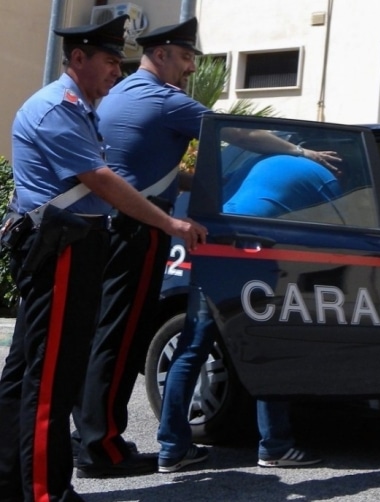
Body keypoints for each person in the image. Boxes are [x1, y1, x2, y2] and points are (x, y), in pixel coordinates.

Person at [70, 17, 340, 478]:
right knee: (122, 338)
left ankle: (92, 437)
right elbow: (240, 133)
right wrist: (302, 153)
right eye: (187, 57)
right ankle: (101, 446)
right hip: (137, 231)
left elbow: (148, 170)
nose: (191, 68)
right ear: (162, 55)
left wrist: (204, 184)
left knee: (105, 334)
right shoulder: (164, 98)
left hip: (106, 226)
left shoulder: (120, 95)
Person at [0, 15, 208, 502]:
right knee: (53, 375)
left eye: (120, 61)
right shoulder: (59, 108)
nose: (118, 72)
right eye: (111, 61)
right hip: (64, 245)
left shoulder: (80, 107)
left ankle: (10, 480)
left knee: (27, 369)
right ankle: (45, 491)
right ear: (78, 58)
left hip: (67, 241)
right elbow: (103, 181)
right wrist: (169, 222)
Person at [158, 152, 341, 473]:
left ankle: (172, 448)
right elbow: (344, 229)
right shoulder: (327, 179)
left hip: (215, 246)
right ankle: (276, 446)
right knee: (267, 347)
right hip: (252, 256)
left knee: (192, 348)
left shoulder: (257, 164)